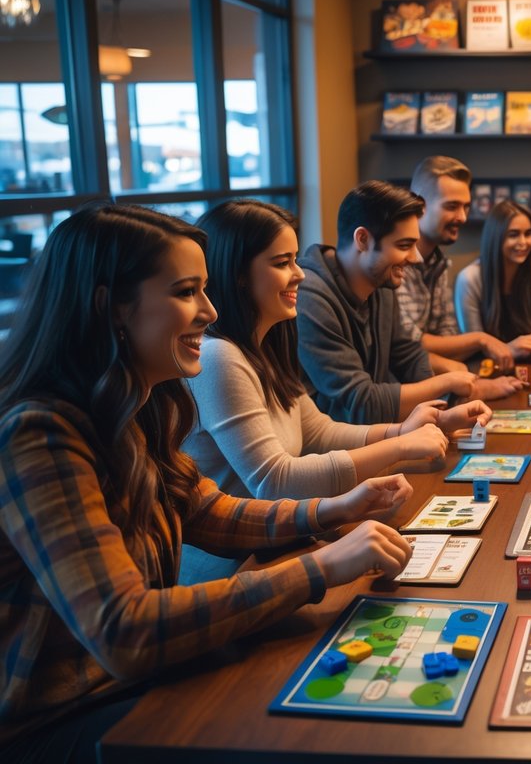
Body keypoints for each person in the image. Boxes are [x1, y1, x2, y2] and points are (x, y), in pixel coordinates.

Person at [0, 203, 414, 758]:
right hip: (58, 718)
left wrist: (335, 510)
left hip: (129, 682)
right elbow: (126, 632)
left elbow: (206, 510)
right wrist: (319, 567)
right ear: (112, 308)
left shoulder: (139, 402)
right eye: (185, 292)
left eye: (206, 290)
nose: (209, 311)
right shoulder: (39, 432)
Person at [182, 199, 492, 583]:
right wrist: (398, 446)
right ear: (239, 274)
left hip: (283, 543)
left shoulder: (266, 343)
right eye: (282, 263)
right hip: (233, 572)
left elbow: (318, 432)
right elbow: (275, 480)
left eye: (296, 260)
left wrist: (406, 430)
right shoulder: (219, 358)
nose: (300, 275)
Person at [296, 180, 522, 425]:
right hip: (331, 451)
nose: (415, 258)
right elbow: (360, 403)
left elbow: (407, 355)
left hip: (378, 434)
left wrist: (450, 402)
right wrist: (445, 383)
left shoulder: (381, 284)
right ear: (362, 240)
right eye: (404, 245)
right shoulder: (310, 299)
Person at [400, 156, 525, 371]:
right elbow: (408, 343)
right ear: (419, 205)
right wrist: (481, 339)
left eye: (466, 207)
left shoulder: (439, 264)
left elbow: (448, 334)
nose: (463, 217)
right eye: (452, 206)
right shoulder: (396, 263)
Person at [453, 200, 531, 362]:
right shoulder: (469, 279)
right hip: (487, 367)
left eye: (528, 234)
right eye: (513, 234)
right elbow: (473, 343)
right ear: (496, 238)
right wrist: (508, 349)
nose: (523, 242)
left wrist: (525, 345)